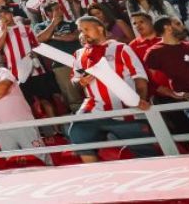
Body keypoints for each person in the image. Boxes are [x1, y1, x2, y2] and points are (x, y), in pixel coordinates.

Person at [65, 15, 157, 162]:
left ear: (100, 28)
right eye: (80, 31)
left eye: (86, 29)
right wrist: (80, 82)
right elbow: (74, 80)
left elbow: (139, 77)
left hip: (125, 108)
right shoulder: (79, 54)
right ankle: (97, 175)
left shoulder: (121, 48)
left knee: (144, 152)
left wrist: (141, 100)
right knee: (78, 134)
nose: (83, 33)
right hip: (94, 107)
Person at [144, 17, 189, 132]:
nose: (183, 27)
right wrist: (174, 93)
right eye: (178, 24)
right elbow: (147, 81)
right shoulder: (154, 52)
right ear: (168, 28)